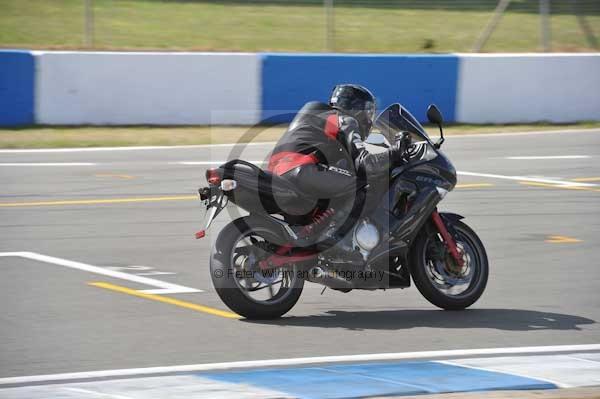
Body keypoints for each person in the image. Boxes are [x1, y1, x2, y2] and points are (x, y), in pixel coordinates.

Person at [268, 83, 410, 200]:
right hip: (302, 170)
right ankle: (345, 235)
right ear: (357, 109)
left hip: (275, 173)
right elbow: (365, 163)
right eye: (368, 112)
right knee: (364, 187)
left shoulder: (316, 117)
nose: (369, 119)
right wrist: (395, 151)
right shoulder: (346, 120)